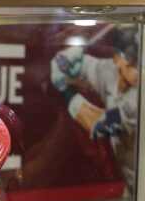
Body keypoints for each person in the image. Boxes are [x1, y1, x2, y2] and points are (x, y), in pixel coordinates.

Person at [48, 42, 139, 192]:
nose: (137, 72)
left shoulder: (139, 99)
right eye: (132, 64)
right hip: (128, 183)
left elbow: (98, 126)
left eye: (140, 66)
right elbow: (65, 63)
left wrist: (65, 91)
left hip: (142, 186)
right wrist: (65, 58)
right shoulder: (109, 71)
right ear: (118, 60)